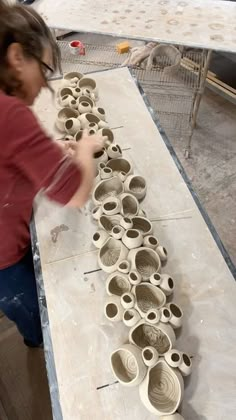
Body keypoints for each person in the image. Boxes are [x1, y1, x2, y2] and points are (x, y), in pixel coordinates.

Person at [0, 0, 104, 348]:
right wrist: (86, 151)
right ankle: (37, 342)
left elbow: (10, 155)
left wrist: (44, 154)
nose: (45, 85)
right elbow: (75, 193)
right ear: (16, 57)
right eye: (43, 69)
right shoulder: (10, 112)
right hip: (3, 258)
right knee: (31, 306)